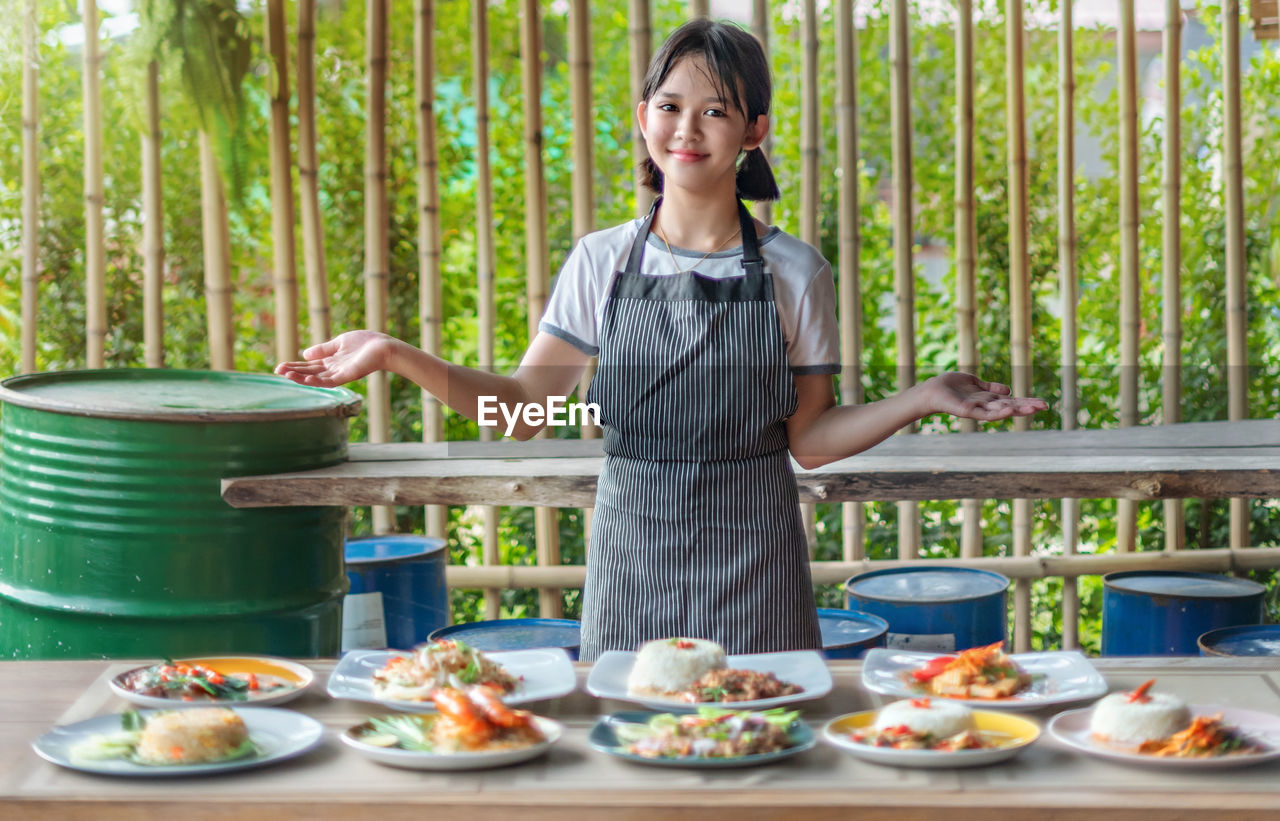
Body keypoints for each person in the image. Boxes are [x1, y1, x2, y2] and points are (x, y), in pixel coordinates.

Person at [275, 19, 1047, 661]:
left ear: (754, 131)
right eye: (671, 104)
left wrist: (921, 398)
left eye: (715, 110)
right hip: (631, 551)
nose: (688, 127)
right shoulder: (602, 260)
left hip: (757, 554)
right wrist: (396, 353)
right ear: (643, 117)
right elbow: (522, 410)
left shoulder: (794, 270)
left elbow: (808, 440)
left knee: (763, 744)